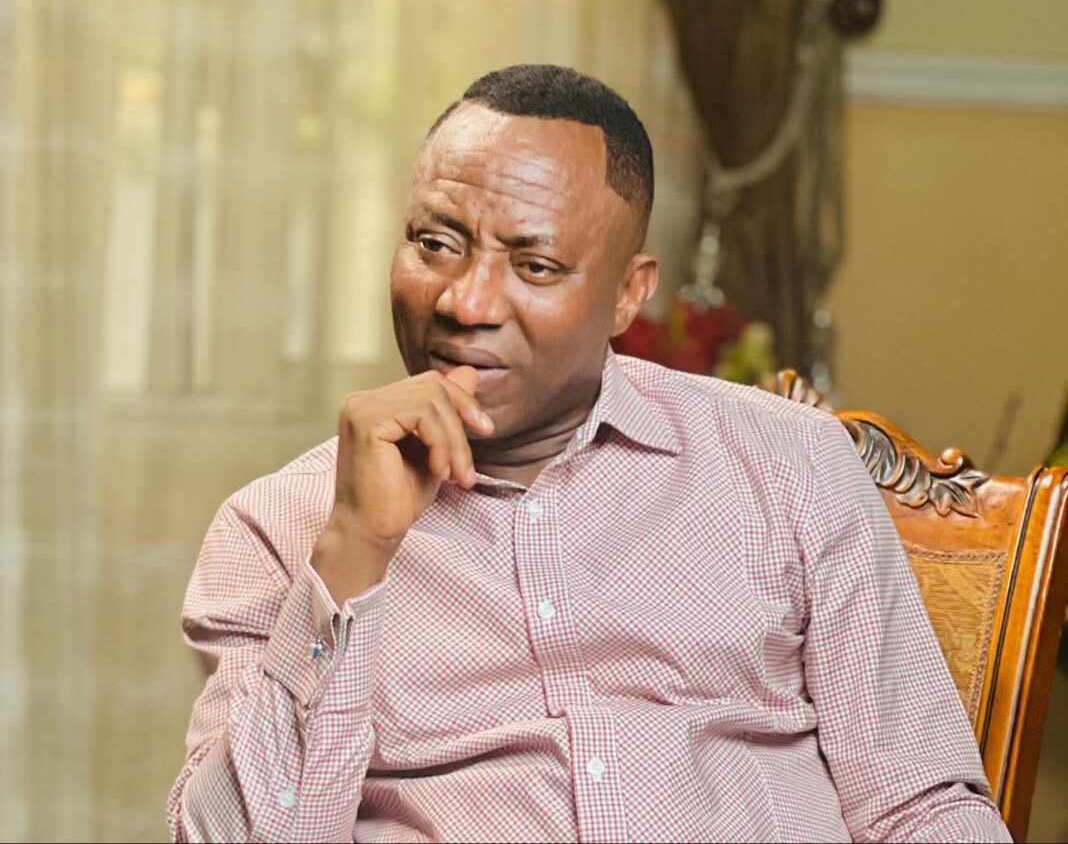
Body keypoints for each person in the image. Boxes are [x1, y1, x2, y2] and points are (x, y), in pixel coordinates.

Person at [167, 64, 1011, 843]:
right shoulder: (277, 528)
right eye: (435, 243)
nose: (466, 301)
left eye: (534, 265)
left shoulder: (790, 464)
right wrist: (353, 550)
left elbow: (920, 805)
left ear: (628, 293)